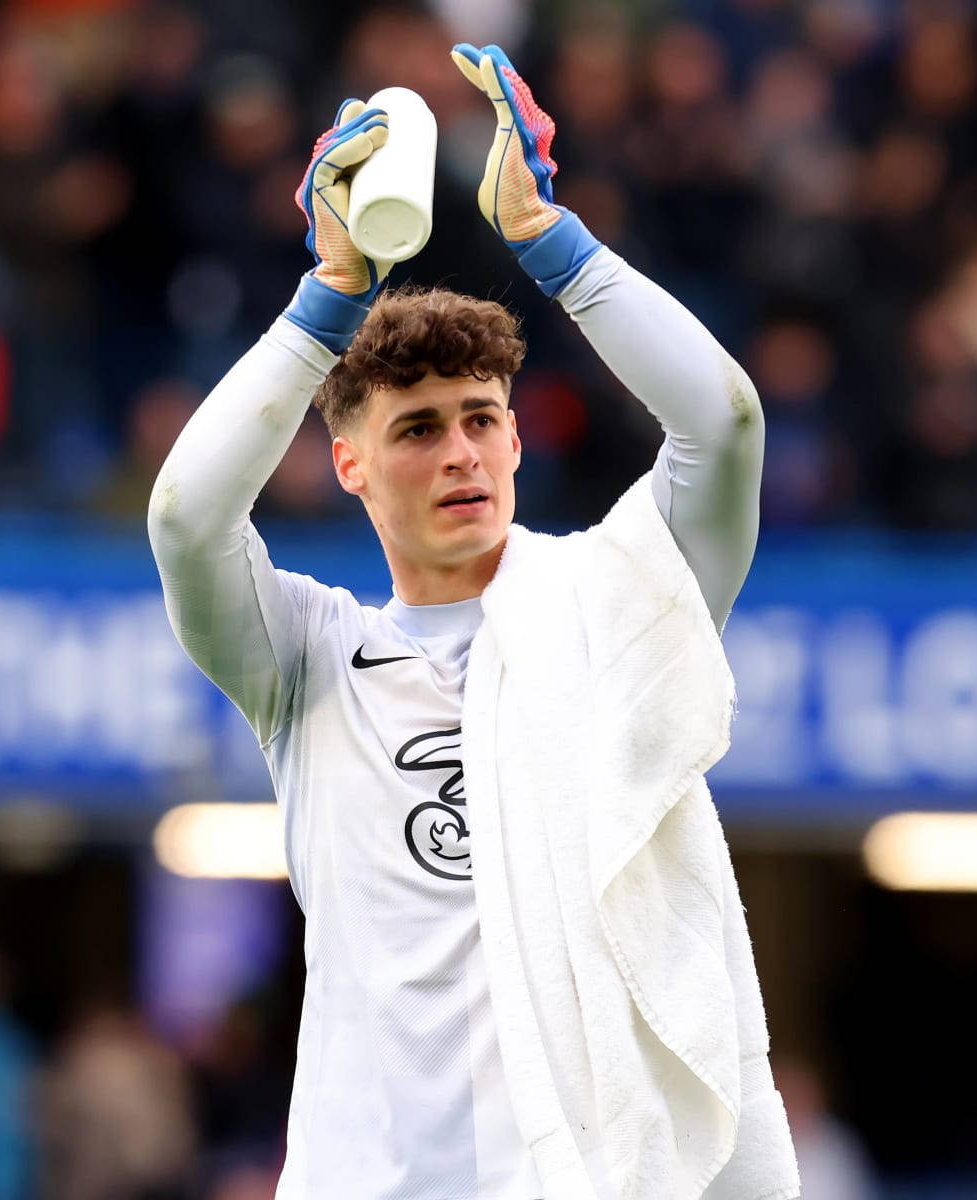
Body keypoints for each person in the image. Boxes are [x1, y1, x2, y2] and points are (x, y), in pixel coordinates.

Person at [149, 42, 797, 1200]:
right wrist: (325, 303)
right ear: (346, 462)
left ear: (512, 436)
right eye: (415, 429)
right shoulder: (311, 661)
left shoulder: (617, 602)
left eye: (479, 419)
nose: (459, 453)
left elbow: (726, 419)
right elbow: (189, 519)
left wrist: (551, 240)